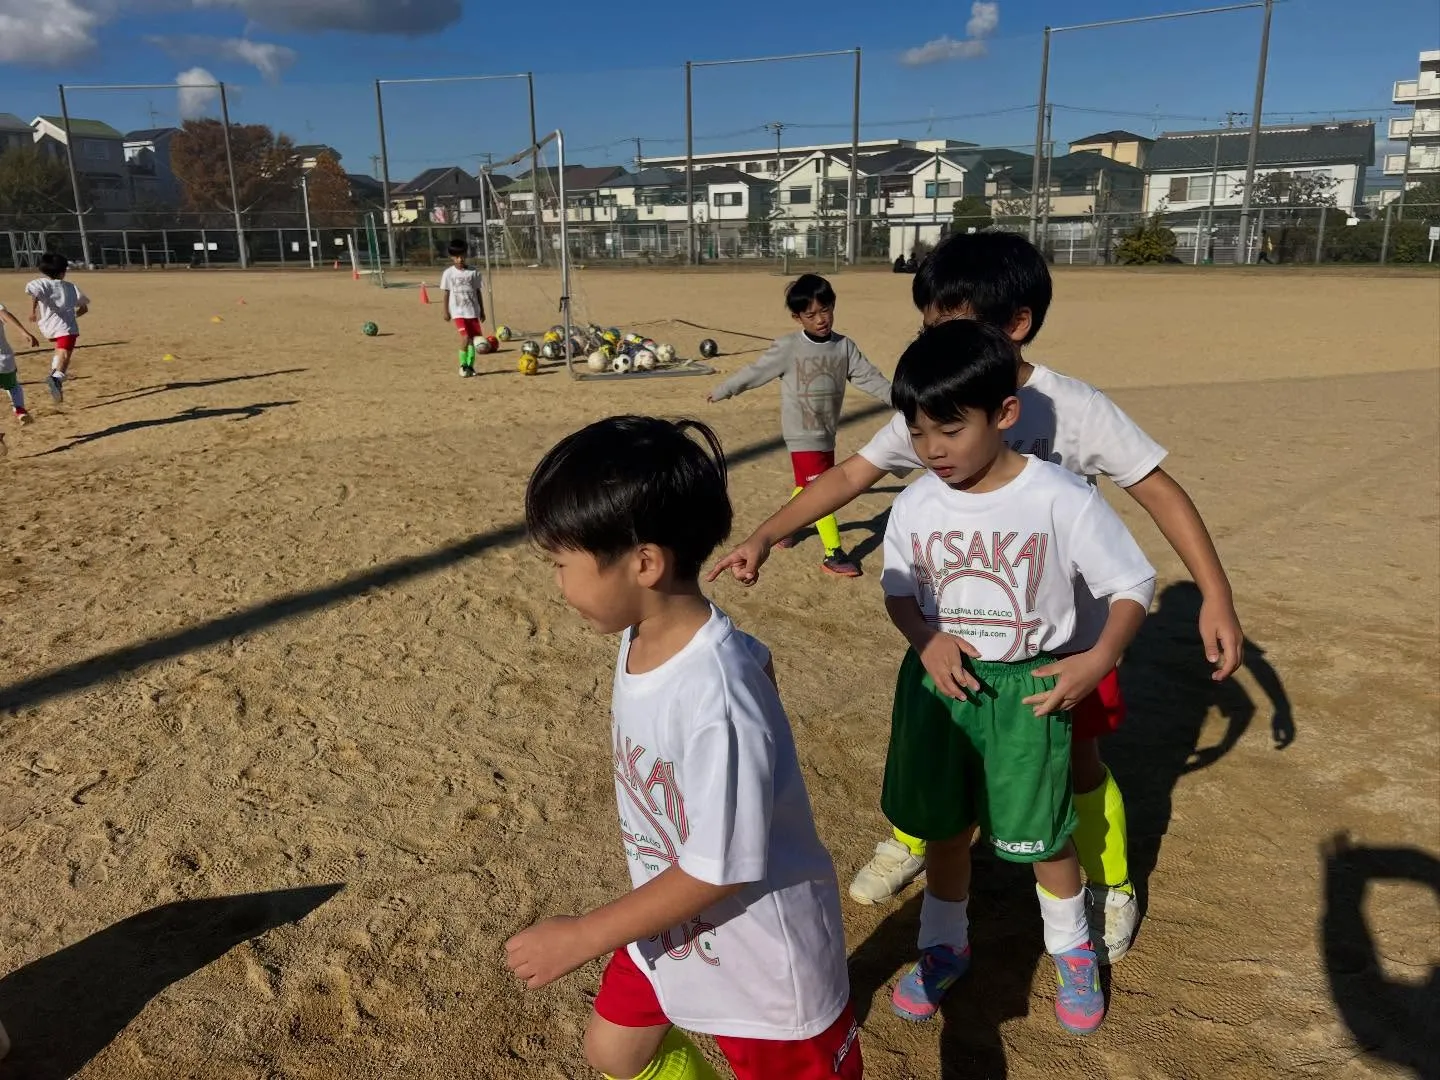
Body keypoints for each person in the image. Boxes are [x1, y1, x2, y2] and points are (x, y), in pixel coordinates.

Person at [710, 231, 1244, 964]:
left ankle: (1110, 882)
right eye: (928, 324)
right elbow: (850, 476)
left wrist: (1214, 594)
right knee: (942, 750)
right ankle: (917, 842)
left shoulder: (1073, 407)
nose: (934, 339)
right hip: (961, 640)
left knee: (1078, 766)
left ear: (1015, 324)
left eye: (948, 324)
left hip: (1064, 648)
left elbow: (1156, 489)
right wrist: (769, 534)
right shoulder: (939, 403)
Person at [506, 415, 862, 1080]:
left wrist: (583, 936)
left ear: (644, 563)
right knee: (613, 1050)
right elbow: (759, 657)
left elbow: (719, 868)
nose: (557, 584)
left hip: (762, 964)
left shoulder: (713, 692)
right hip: (670, 923)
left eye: (561, 564)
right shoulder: (646, 634)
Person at [879, 319, 1156, 1032]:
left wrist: (1096, 660)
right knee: (945, 831)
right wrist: (925, 639)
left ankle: (1072, 953)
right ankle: (944, 948)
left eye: (949, 428)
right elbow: (900, 590)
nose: (932, 449)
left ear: (1004, 414)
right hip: (942, 689)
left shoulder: (1060, 496)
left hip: (1027, 692)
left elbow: (1132, 583)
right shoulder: (915, 502)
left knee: (1044, 836)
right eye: (916, 432)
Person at [706, 274, 891, 578]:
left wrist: (902, 399)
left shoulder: (844, 347)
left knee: (810, 486)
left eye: (826, 310)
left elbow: (869, 377)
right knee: (822, 488)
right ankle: (833, 553)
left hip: (826, 431)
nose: (820, 319)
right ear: (797, 317)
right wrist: (727, 388)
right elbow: (757, 371)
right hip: (801, 432)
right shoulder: (789, 347)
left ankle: (787, 526)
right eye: (811, 314)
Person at [26, 252, 88, 404]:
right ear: (63, 272)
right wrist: (75, 315)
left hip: (47, 325)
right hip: (66, 327)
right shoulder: (71, 287)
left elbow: (34, 294)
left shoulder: (40, 283)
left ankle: (55, 372)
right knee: (65, 355)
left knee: (60, 350)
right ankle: (57, 377)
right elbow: (84, 308)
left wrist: (33, 311)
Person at [439, 239, 485, 378]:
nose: (460, 259)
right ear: (452, 257)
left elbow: (478, 292)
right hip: (458, 312)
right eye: (456, 257)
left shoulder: (473, 272)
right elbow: (446, 292)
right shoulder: (448, 273)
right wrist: (446, 311)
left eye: (462, 256)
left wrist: (482, 310)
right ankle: (463, 365)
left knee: (472, 340)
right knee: (465, 337)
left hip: (472, 311)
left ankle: (470, 366)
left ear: (466, 255)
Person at [0, 297, 41, 426]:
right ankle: (19, 410)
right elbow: (3, 313)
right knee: (12, 386)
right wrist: (24, 332)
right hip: (3, 360)